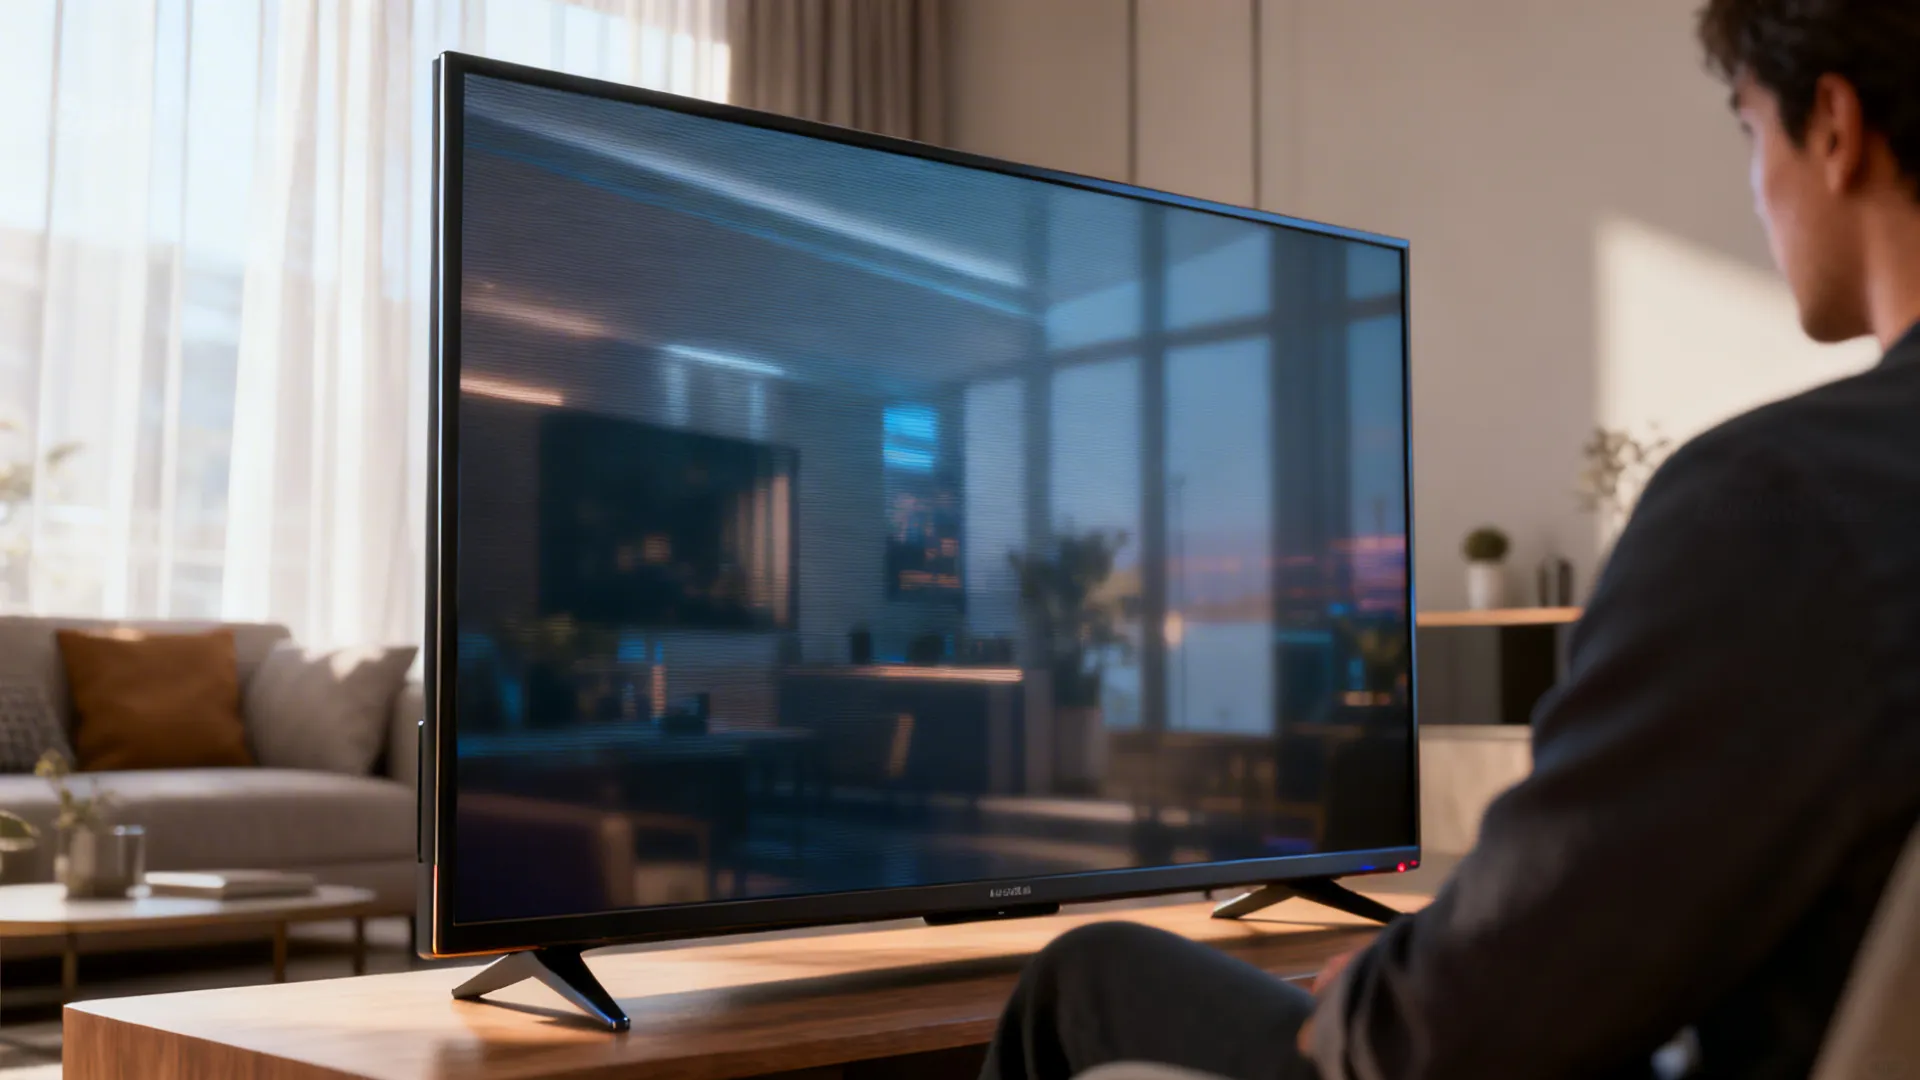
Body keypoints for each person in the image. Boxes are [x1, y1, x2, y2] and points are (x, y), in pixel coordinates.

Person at [981, 1, 1920, 1077]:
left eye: (1751, 131)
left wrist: (1395, 983)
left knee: (1083, 978)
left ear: (1836, 129)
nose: (1757, 187)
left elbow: (1461, 1029)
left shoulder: (1777, 508)